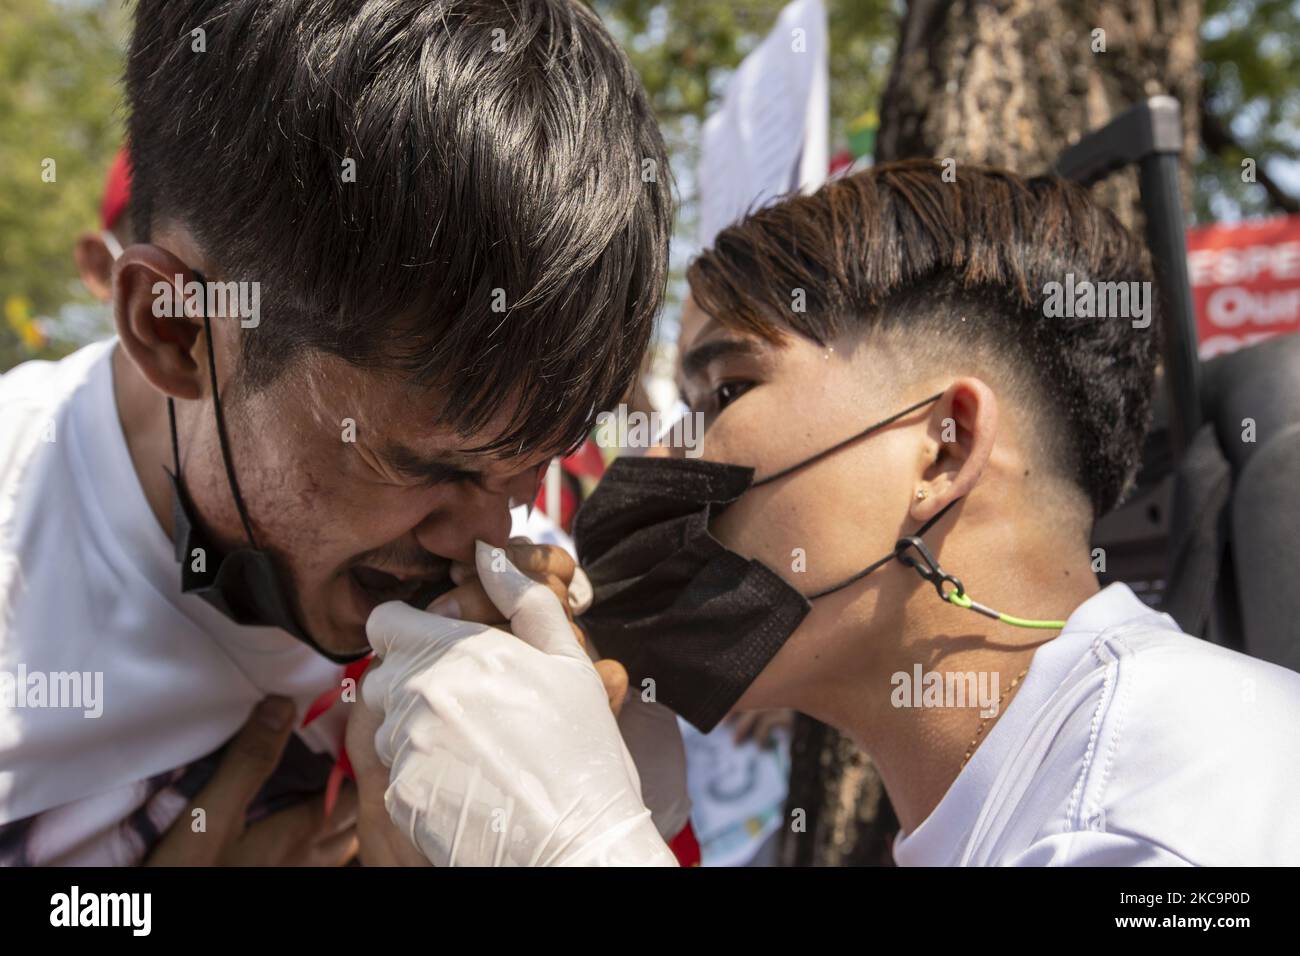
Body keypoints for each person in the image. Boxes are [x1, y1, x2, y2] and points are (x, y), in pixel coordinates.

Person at [352, 159, 1300, 866]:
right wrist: (639, 819)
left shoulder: (1161, 815)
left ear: (942, 448)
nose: (660, 459)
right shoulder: (1024, 793)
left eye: (723, 395)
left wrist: (582, 847)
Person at [0, 0, 670, 865]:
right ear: (174, 329)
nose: (494, 535)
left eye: (533, 465)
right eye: (430, 466)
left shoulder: (530, 630)